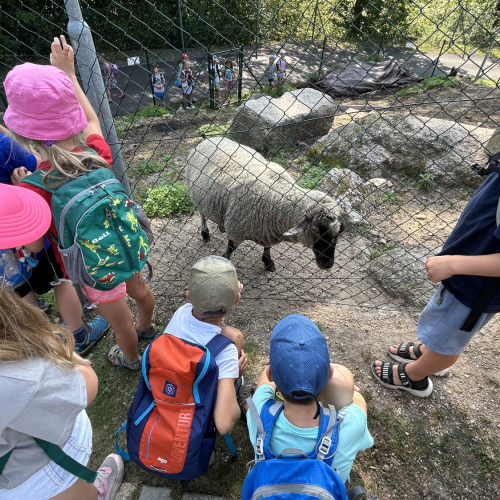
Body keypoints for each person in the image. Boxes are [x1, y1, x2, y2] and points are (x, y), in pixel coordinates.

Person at [4, 35, 155, 368]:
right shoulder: (96, 155)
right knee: (140, 293)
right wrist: (69, 75)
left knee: (120, 323)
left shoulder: (34, 187)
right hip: (126, 243)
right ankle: (147, 325)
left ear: (24, 136)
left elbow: (34, 246)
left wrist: (20, 200)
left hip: (94, 268)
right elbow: (91, 122)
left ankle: (129, 357)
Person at [0, 188, 124, 500]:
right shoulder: (19, 374)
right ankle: (92, 492)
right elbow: (86, 385)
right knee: (60, 282)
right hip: (41, 470)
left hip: (10, 467)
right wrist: (63, 353)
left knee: (23, 293)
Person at [372, 161, 500, 396]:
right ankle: (429, 352)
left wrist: (453, 264)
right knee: (445, 330)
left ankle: (414, 376)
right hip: (473, 280)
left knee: (449, 342)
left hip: (476, 287)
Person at [245, 314, 373, 485]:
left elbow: (264, 384)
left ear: (271, 374)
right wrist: (346, 391)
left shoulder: (257, 412)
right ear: (329, 375)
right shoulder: (350, 424)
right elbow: (359, 403)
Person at [164, 256, 249, 435]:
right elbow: (224, 425)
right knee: (235, 336)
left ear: (188, 296)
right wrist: (234, 374)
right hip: (194, 409)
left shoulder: (182, 312)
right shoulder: (225, 352)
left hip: (168, 389)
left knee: (232, 335)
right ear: (237, 300)